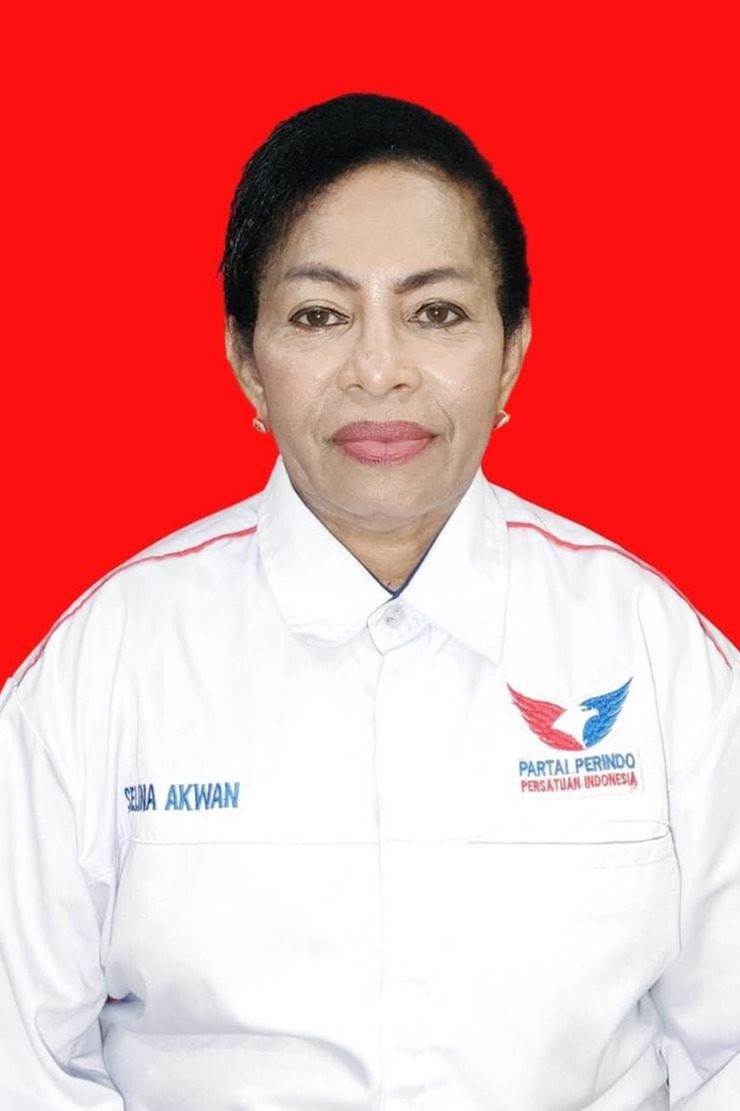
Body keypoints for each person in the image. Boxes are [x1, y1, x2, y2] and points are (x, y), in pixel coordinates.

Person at [0, 92, 738, 1111]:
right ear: (245, 360)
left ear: (512, 350)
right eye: (319, 315)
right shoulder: (109, 660)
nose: (380, 370)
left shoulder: (654, 650)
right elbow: (22, 1061)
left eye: (435, 312)